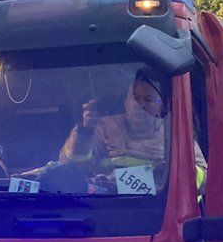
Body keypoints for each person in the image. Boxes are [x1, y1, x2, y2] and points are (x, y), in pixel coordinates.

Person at [59, 66, 206, 192]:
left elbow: (204, 181)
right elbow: (70, 169)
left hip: (161, 210)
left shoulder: (177, 136)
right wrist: (85, 131)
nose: (139, 107)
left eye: (148, 99)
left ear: (162, 106)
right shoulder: (102, 127)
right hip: (105, 208)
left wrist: (165, 167)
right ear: (126, 103)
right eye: (134, 98)